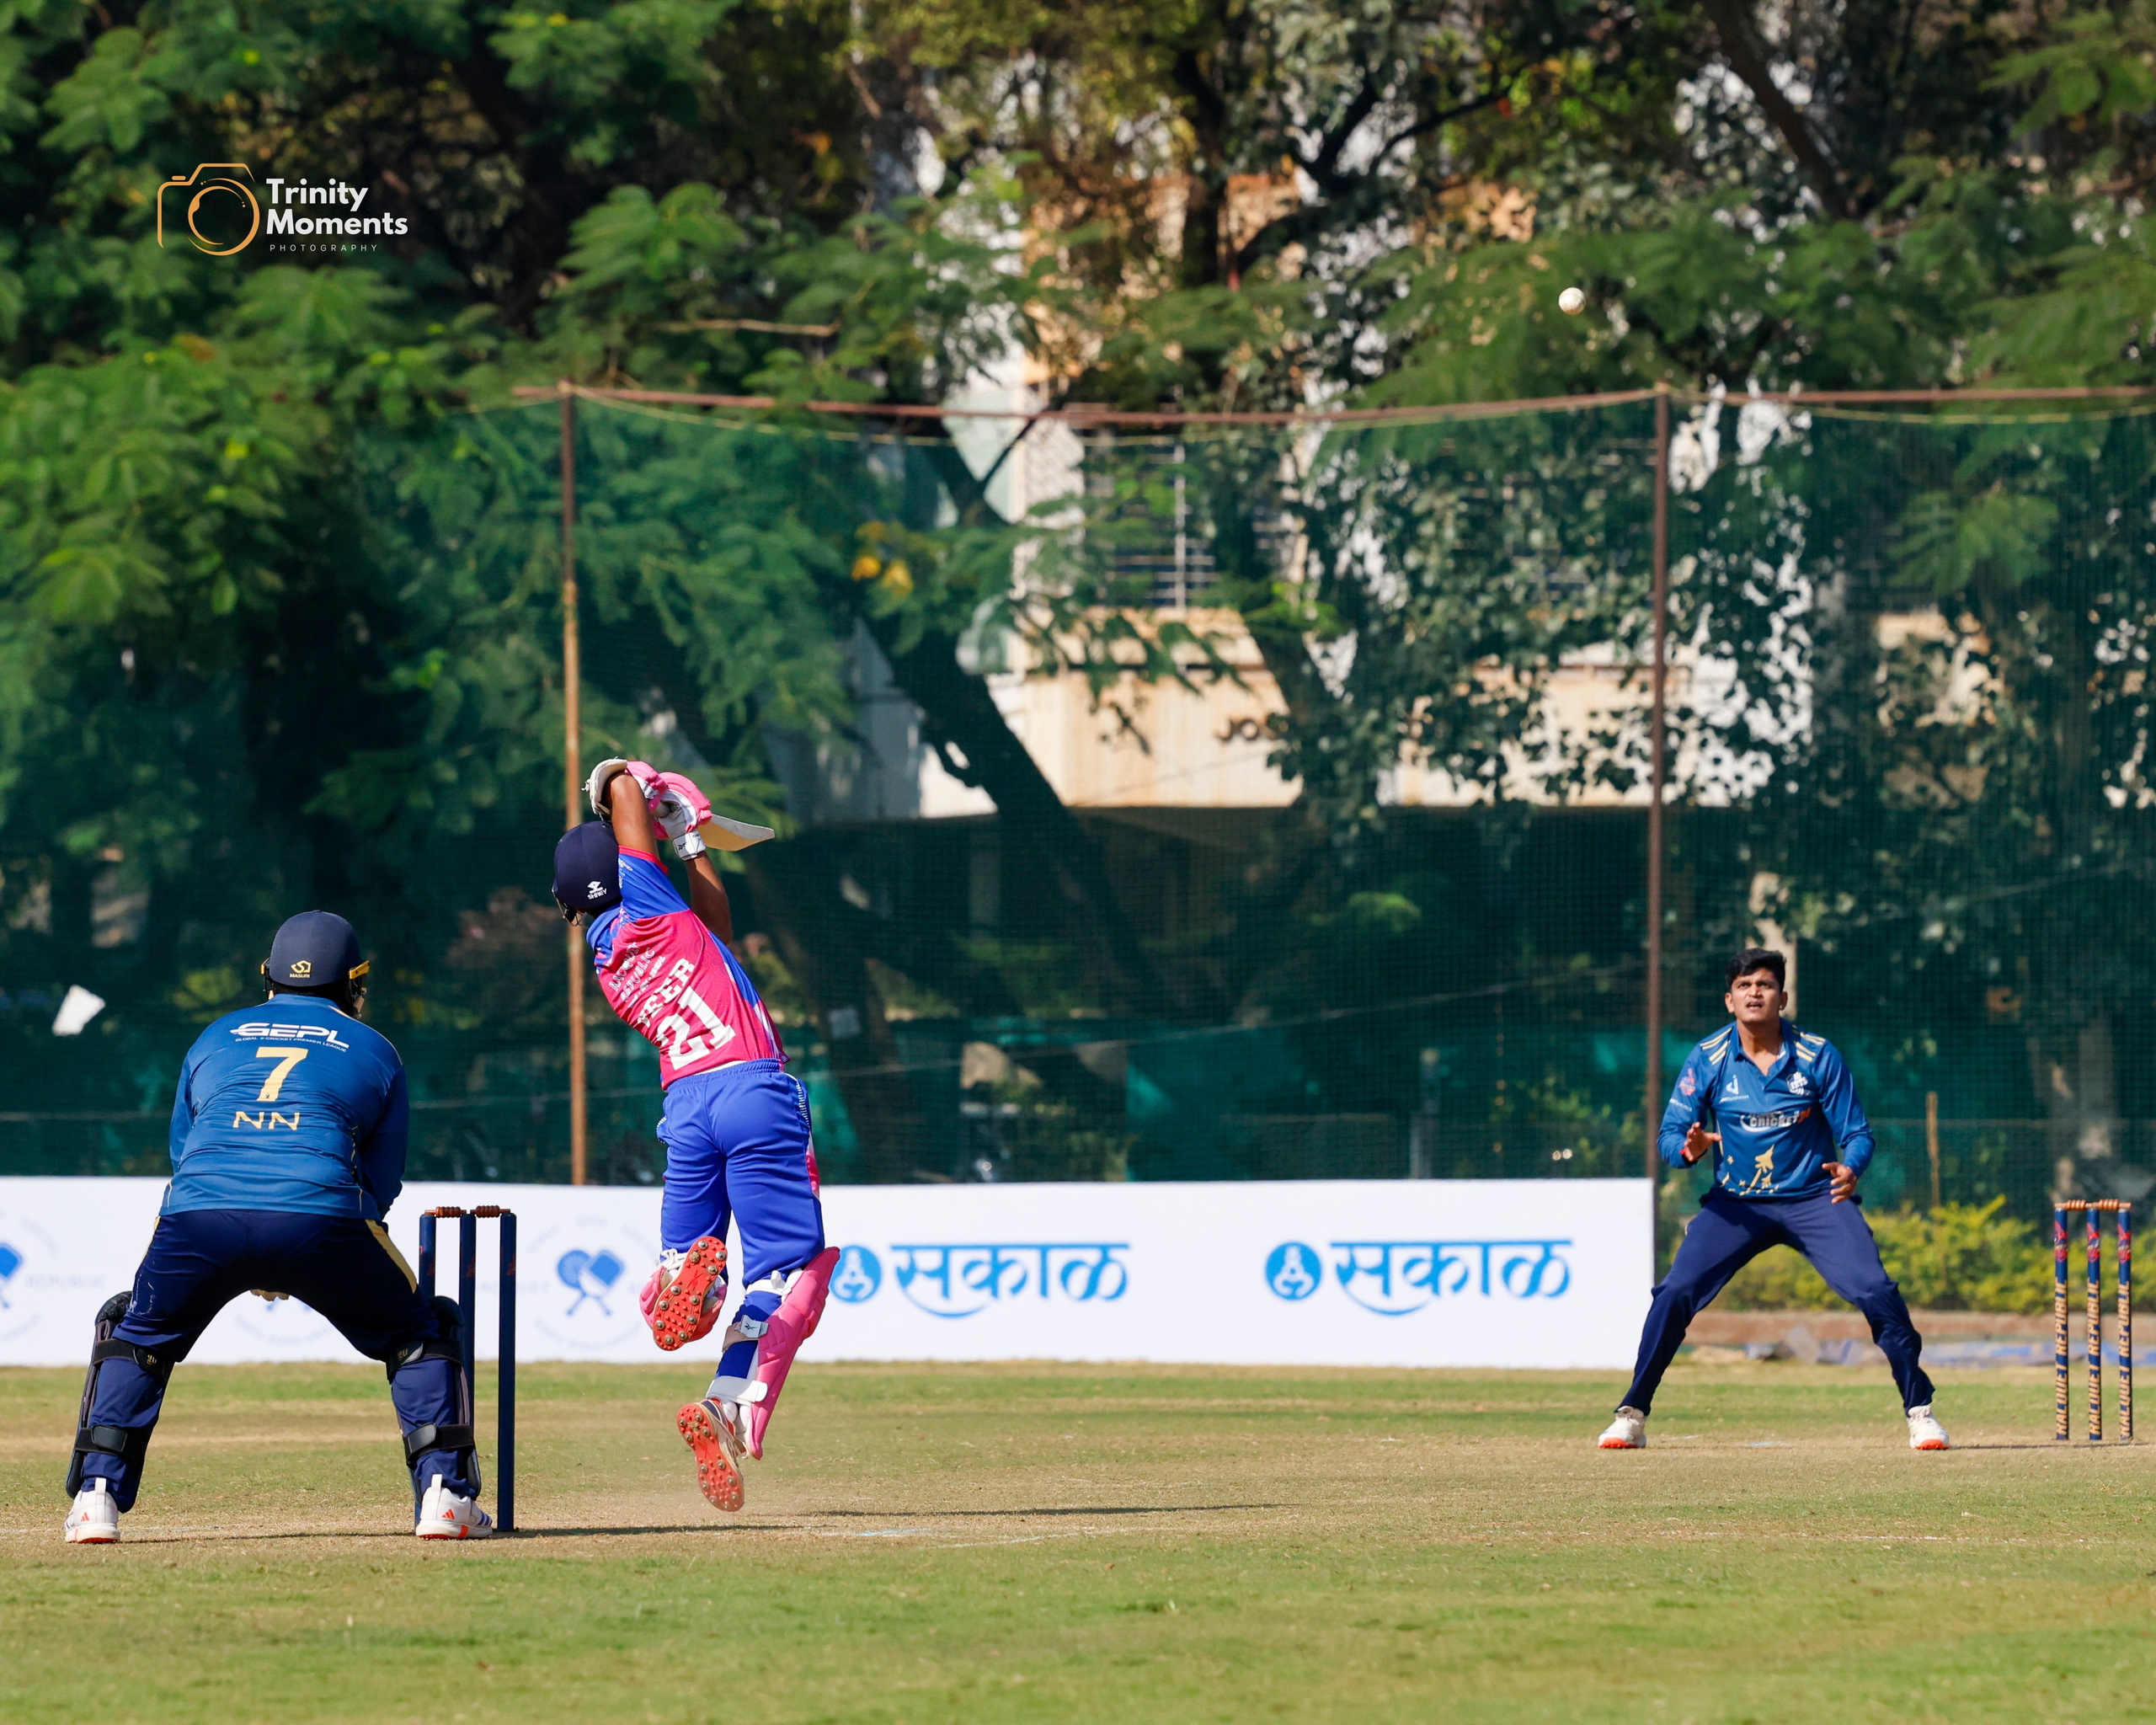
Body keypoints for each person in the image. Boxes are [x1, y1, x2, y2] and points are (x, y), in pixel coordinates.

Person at [63, 911, 488, 1544]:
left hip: (198, 1216)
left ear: (268, 977)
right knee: (417, 1332)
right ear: (354, 983)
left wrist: (249, 1249)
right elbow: (381, 1182)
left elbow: (183, 1155)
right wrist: (297, 1250)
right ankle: (445, 1497)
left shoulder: (213, 1037)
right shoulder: (374, 1049)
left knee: (138, 1337)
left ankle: (95, 1500)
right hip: (322, 1213)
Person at [553, 759, 837, 1514]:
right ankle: (739, 1398)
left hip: (687, 1107)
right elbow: (618, 793)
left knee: (691, 1256)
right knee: (793, 1272)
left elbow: (716, 933)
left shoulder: (610, 953)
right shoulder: (643, 896)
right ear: (627, 864)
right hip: (751, 1087)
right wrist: (631, 781)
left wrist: (689, 842)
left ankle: (684, 1299)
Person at [1598, 948, 1949, 1452]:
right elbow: (1671, 1137)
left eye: (1764, 985)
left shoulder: (1817, 1055)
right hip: (1736, 1205)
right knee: (1675, 1292)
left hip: (1813, 1198)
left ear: (1782, 997)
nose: (1754, 993)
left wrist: (1851, 1168)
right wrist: (1688, 1149)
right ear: (1729, 1000)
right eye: (1744, 986)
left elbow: (1858, 1134)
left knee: (1874, 1289)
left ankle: (1921, 1413)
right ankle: (1631, 1413)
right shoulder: (1708, 1057)